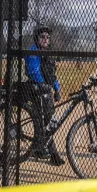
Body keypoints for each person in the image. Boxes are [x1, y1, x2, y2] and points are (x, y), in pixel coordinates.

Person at [24, 25, 65, 166]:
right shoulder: (33, 51)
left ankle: (40, 147)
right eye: (43, 37)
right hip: (37, 88)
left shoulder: (48, 53)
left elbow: (51, 74)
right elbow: (34, 71)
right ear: (37, 38)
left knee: (49, 121)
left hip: (46, 90)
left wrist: (57, 89)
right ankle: (52, 154)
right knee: (47, 121)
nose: (46, 39)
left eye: (48, 37)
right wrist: (45, 86)